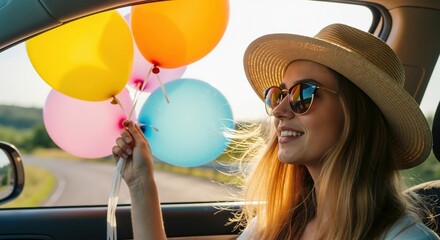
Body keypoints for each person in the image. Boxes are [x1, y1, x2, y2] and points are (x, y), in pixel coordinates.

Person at [113, 23, 439, 239]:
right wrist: (141, 185)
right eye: (278, 94)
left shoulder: (404, 238)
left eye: (303, 94)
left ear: (357, 117)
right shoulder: (274, 225)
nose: (279, 111)